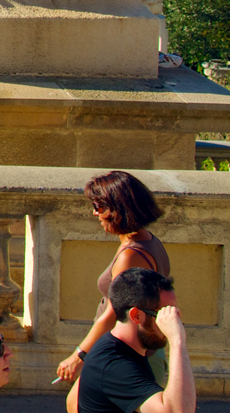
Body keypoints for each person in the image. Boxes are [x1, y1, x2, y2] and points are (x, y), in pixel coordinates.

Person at [58, 172, 170, 383]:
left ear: (118, 209)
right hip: (136, 352)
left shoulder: (132, 255)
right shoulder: (149, 241)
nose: (95, 213)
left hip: (128, 357)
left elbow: (113, 313)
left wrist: (79, 355)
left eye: (99, 207)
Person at [71, 269, 192, 413]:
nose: (174, 322)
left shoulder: (113, 347)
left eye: (174, 314)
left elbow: (72, 401)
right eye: (164, 314)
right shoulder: (114, 364)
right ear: (136, 315)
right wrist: (177, 341)